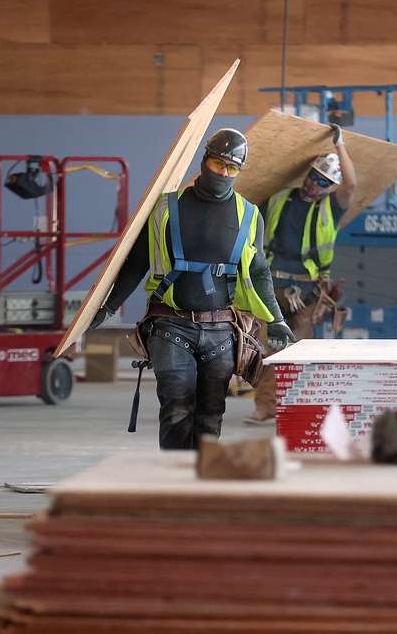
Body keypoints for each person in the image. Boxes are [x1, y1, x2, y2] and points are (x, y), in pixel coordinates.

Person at [89, 128, 295, 449]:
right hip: (171, 324)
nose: (223, 173)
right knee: (176, 408)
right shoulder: (165, 209)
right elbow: (137, 262)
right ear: (204, 161)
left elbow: (259, 270)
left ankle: (202, 475)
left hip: (221, 330)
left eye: (232, 168)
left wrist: (277, 319)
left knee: (210, 415)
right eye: (218, 163)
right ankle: (176, 476)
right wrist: (108, 307)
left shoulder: (249, 215)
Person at [244, 122, 357, 425]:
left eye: (323, 182)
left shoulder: (331, 208)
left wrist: (340, 145)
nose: (314, 185)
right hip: (273, 285)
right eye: (313, 177)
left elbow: (351, 186)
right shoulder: (279, 199)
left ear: (329, 187)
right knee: (269, 348)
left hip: (308, 292)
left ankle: (293, 408)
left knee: (299, 350)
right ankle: (266, 406)